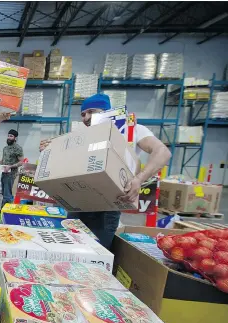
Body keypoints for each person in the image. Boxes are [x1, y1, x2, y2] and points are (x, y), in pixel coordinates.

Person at [39, 93, 172, 249]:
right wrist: (50, 151)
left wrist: (139, 179)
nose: (86, 117)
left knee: (97, 254)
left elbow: (163, 152)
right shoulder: (81, 137)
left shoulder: (133, 130)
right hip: (77, 205)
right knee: (70, 251)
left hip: (107, 208)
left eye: (91, 112)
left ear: (106, 112)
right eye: (83, 114)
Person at [0, 129, 24, 208]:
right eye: (8, 135)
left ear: (15, 138)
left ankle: (7, 211)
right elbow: (3, 160)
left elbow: (21, 162)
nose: (9, 137)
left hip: (11, 174)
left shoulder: (18, 148)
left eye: (11, 136)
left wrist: (10, 166)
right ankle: (3, 210)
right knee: (3, 193)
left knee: (7, 194)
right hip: (3, 173)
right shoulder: (5, 148)